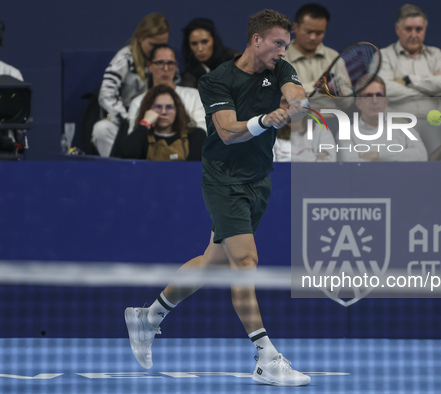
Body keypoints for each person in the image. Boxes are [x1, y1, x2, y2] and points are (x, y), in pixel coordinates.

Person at [124, 9, 311, 387]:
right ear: (256, 40)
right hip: (224, 181)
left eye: (286, 45)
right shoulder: (216, 81)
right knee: (245, 260)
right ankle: (265, 356)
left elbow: (294, 91)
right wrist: (265, 120)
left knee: (213, 261)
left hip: (259, 179)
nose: (282, 51)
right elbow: (226, 131)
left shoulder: (279, 68)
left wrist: (296, 101)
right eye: (277, 44)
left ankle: (149, 316)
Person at [377, 4, 441, 156]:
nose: (414, 35)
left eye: (418, 29)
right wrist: (428, 90)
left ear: (425, 30)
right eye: (408, 29)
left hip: (432, 120)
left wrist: (409, 80)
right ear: (397, 29)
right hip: (398, 121)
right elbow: (384, 90)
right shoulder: (384, 56)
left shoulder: (435, 54)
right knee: (404, 156)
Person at [92, 13, 170, 157]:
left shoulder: (167, 59)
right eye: (153, 45)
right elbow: (106, 95)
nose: (157, 50)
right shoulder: (124, 58)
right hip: (128, 120)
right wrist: (129, 121)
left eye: (162, 44)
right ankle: (119, 170)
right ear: (140, 38)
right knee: (102, 129)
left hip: (161, 121)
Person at [337, 77, 427, 162]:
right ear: (358, 103)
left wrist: (377, 155)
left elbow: (422, 155)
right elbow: (350, 166)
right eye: (368, 96)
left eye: (379, 95)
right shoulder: (345, 133)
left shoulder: (405, 129)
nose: (374, 101)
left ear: (385, 102)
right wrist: (401, 156)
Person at [126, 44, 206, 134]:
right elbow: (132, 138)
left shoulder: (194, 96)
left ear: (176, 66)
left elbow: (203, 132)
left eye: (170, 63)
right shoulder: (138, 102)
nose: (166, 68)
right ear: (149, 66)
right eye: (160, 63)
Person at [118, 85, 205, 161]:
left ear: (177, 111)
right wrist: (144, 123)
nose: (163, 112)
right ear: (148, 110)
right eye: (158, 107)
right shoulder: (142, 137)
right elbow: (126, 154)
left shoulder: (196, 135)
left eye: (169, 107)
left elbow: (194, 171)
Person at [285, 3, 338, 95]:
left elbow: (349, 101)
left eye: (319, 33)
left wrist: (336, 90)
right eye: (308, 32)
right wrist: (314, 87)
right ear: (295, 27)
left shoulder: (334, 57)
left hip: (333, 109)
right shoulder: (281, 60)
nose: (313, 37)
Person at [180, 18, 240, 89]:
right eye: (194, 43)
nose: (200, 49)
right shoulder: (189, 77)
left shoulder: (236, 59)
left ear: (214, 41)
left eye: (204, 42)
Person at [273, 95, 336, 162]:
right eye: (285, 101)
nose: (291, 105)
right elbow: (269, 167)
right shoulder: (270, 133)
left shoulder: (321, 130)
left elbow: (327, 166)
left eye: (296, 101)